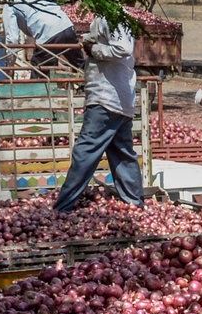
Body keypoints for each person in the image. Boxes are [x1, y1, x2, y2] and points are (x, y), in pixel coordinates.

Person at [54, 15, 140, 212]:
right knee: (122, 153)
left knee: (85, 151)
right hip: (120, 100)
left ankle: (64, 206)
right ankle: (134, 203)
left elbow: (122, 48)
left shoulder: (113, 16)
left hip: (105, 99)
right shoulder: (111, 16)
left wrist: (94, 50)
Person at [4, 0, 82, 71]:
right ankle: (91, 80)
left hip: (48, 34)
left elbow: (12, 39)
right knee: (81, 66)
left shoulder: (10, 3)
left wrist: (9, 66)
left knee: (38, 76)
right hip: (67, 26)